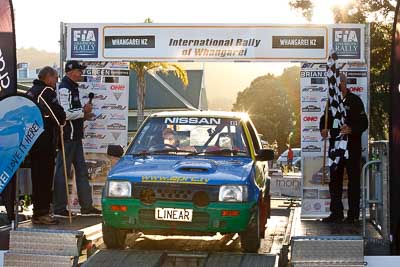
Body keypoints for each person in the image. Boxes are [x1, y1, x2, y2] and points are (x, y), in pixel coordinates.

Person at [53, 60, 101, 217]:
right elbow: (65, 114)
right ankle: (59, 208)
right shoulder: (64, 88)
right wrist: (83, 111)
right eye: (79, 71)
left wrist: (84, 116)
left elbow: (73, 113)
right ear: (70, 71)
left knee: (81, 171)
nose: (81, 73)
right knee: (62, 172)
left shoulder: (72, 87)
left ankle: (86, 206)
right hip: (67, 137)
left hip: (76, 137)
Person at [319, 73, 368, 224]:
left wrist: (351, 129)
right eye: (334, 86)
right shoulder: (331, 102)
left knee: (353, 181)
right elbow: (324, 120)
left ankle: (353, 215)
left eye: (339, 85)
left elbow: (363, 123)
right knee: (334, 180)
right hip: (336, 148)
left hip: (352, 148)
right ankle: (336, 213)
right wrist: (323, 129)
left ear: (344, 84)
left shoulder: (355, 100)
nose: (337, 88)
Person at [26, 66, 66, 224]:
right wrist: (62, 118)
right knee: (44, 178)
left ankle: (37, 212)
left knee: (36, 177)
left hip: (31, 142)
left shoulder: (30, 92)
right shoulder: (46, 92)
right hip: (44, 142)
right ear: (48, 78)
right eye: (55, 78)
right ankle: (42, 213)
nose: (56, 82)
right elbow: (59, 116)